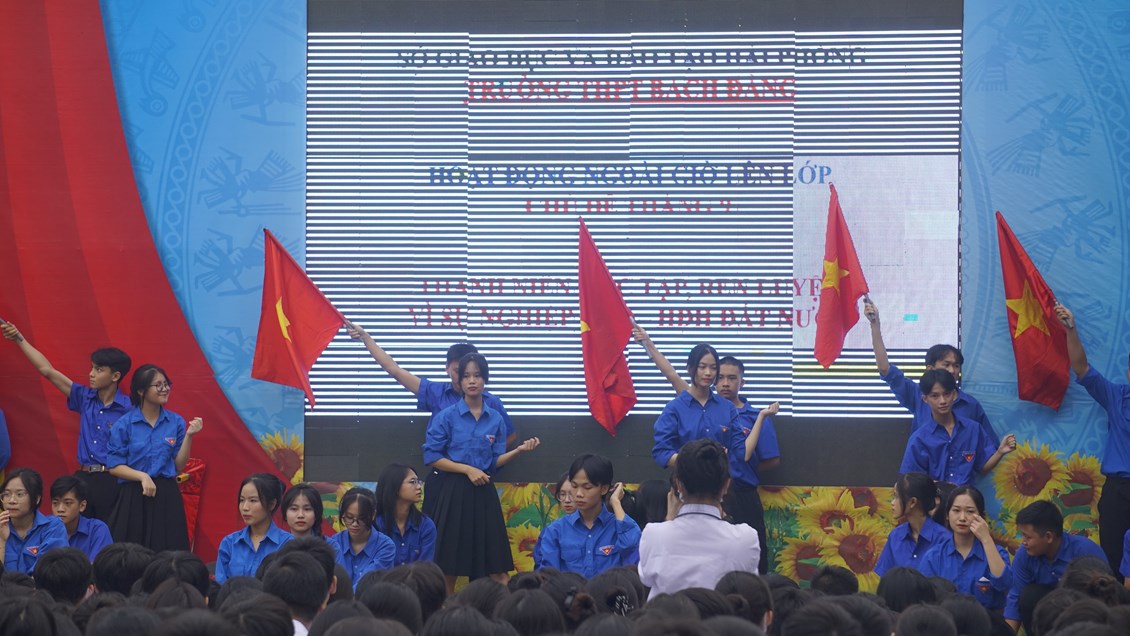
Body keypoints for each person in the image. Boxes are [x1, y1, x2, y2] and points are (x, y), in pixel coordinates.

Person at [346, 322, 517, 517]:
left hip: (478, 483)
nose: (467, 378)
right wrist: (365, 337)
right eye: (459, 371)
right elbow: (395, 370)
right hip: (443, 480)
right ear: (447, 368)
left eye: (474, 373)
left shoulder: (491, 403)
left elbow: (509, 437)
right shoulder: (436, 392)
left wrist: (479, 458)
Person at [422, 352, 541, 593]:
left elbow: (493, 462)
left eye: (477, 375)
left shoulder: (495, 418)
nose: (472, 381)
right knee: (448, 567)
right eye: (466, 376)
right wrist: (467, 470)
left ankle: (503, 612)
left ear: (485, 379)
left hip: (484, 494)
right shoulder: (447, 416)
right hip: (453, 493)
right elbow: (432, 457)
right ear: (459, 381)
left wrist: (518, 450)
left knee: (496, 568)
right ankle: (444, 614)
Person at [2, 321, 132, 522]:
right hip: (83, 478)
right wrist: (19, 338)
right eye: (92, 368)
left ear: (115, 376)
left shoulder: (129, 409)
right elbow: (47, 370)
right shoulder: (84, 397)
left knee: (110, 532)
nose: (91, 374)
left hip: (113, 480)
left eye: (98, 370)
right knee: (75, 530)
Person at [1056, 303, 1130, 582]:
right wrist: (1070, 329)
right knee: (1113, 557)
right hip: (1118, 491)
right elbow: (1081, 367)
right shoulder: (1117, 396)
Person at [862, 299, 998, 445]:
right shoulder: (918, 395)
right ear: (930, 368)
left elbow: (991, 447)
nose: (952, 370)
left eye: (956, 366)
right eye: (946, 365)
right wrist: (875, 324)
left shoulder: (970, 404)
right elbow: (885, 368)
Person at [638, 438, 761, 598]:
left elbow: (646, 579)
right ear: (726, 485)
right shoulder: (746, 538)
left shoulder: (654, 534)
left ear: (679, 485)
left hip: (669, 614)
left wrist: (669, 521)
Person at [106, 363, 203, 551]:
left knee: (168, 551)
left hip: (166, 494)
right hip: (134, 494)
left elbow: (179, 465)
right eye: (158, 385)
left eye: (166, 384)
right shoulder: (124, 424)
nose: (164, 389)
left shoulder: (176, 422)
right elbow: (114, 466)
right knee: (131, 552)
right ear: (141, 391)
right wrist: (142, 476)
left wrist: (189, 436)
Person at [631, 332, 743, 470]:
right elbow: (661, 452)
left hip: (721, 480)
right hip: (686, 480)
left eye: (713, 368)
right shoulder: (674, 408)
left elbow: (739, 450)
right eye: (702, 367)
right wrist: (694, 462)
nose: (708, 373)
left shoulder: (728, 408)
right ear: (690, 368)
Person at [716, 355, 781, 575]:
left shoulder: (756, 417)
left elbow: (772, 459)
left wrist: (741, 469)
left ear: (742, 382)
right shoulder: (704, 414)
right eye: (720, 378)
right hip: (709, 497)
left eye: (732, 378)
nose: (725, 383)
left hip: (744, 496)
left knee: (753, 557)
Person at [898, 370, 1016, 486]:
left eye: (947, 394)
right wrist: (942, 487)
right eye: (935, 396)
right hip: (934, 497)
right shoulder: (919, 439)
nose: (942, 401)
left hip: (966, 497)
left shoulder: (973, 429)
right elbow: (912, 480)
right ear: (925, 399)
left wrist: (1000, 452)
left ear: (954, 395)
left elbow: (982, 468)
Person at [1005, 499, 1107, 632]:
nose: (1023, 542)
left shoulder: (1085, 551)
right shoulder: (1024, 554)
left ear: (1048, 537)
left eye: (1027, 537)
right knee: (1029, 595)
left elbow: (1106, 596)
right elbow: (1015, 597)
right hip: (1046, 617)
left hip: (1084, 616)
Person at [536, 454, 641, 577]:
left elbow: (632, 552)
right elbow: (549, 577)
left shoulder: (618, 527)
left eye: (587, 487)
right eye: (574, 486)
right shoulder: (555, 531)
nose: (578, 494)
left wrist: (615, 502)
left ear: (604, 489)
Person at [918, 485, 1012, 611]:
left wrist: (986, 539)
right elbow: (924, 598)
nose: (962, 518)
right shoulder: (934, 557)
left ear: (982, 516)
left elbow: (1005, 585)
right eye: (956, 510)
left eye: (970, 511)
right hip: (945, 620)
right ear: (947, 515)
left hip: (986, 621)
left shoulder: (997, 553)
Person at [215, 473, 292, 583]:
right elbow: (220, 585)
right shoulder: (229, 543)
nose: (245, 507)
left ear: (272, 504)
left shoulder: (288, 543)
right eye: (242, 500)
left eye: (253, 500)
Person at [875, 472, 948, 576]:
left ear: (913, 502)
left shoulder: (944, 540)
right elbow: (885, 578)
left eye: (897, 497)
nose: (892, 502)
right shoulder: (895, 536)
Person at [0, 467, 68, 574]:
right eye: (6, 494)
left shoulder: (53, 527)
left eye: (19, 494)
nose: (11, 501)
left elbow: (47, 573)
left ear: (36, 499)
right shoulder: (1, 527)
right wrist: (2, 542)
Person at [329, 487, 396, 589]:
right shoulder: (334, 543)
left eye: (361, 518)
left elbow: (368, 582)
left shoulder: (386, 546)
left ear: (373, 515)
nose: (354, 524)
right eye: (349, 517)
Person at [373, 463, 437, 566]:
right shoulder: (375, 525)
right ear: (395, 487)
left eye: (418, 481)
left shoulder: (426, 525)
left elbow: (425, 567)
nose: (419, 487)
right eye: (413, 482)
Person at [50, 475, 113, 561]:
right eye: (55, 503)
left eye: (67, 503)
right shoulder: (44, 529)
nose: (60, 509)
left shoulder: (97, 530)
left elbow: (98, 566)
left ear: (82, 506)